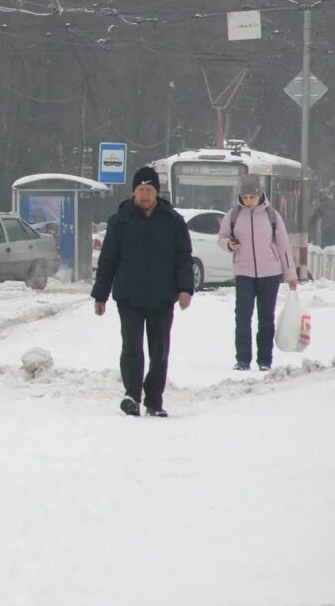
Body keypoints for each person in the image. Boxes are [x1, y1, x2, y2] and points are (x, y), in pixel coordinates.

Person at [91, 166, 194, 418]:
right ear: (133, 192)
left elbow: (183, 258)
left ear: (156, 192)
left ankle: (154, 399)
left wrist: (184, 289)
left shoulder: (173, 221)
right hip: (129, 296)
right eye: (140, 190)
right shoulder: (120, 221)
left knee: (159, 351)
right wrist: (100, 295)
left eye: (149, 190)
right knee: (132, 347)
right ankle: (132, 395)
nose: (144, 195)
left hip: (162, 296)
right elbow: (108, 260)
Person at [217, 174, 298, 371]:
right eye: (244, 198)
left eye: (251, 197)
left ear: (259, 194)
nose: (248, 201)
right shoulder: (234, 215)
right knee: (243, 316)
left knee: (266, 317)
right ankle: (243, 359)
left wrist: (290, 275)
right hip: (244, 272)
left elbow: (283, 246)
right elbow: (221, 238)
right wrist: (229, 245)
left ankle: (265, 360)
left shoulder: (272, 216)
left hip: (269, 273)